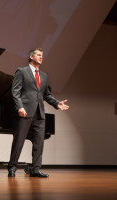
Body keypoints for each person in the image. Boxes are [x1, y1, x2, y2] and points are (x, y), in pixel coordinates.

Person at [8, 48, 69, 178]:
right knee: (19, 141)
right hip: (24, 112)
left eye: (42, 55)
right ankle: (12, 168)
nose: (41, 57)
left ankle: (35, 169)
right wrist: (19, 107)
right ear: (31, 56)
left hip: (39, 114)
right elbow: (15, 91)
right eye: (39, 55)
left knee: (39, 143)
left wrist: (57, 103)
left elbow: (46, 95)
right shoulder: (22, 71)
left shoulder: (44, 76)